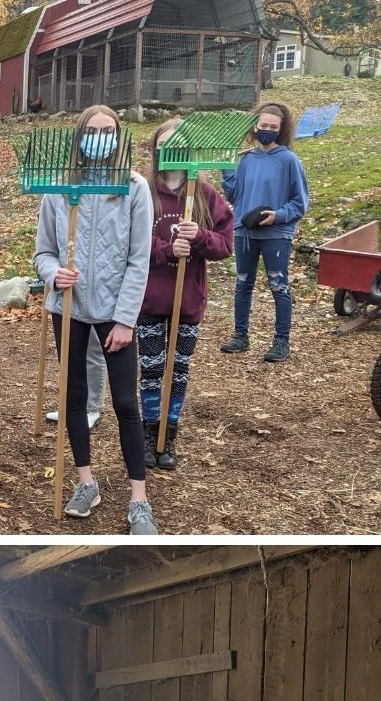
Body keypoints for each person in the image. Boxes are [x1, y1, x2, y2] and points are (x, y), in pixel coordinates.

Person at [33, 105, 157, 534]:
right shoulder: (60, 189)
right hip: (68, 308)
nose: (99, 138)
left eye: (108, 131)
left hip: (113, 310)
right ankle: (86, 481)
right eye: (92, 131)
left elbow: (139, 260)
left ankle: (139, 499)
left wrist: (125, 319)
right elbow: (43, 252)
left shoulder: (134, 188)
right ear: (80, 137)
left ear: (118, 137)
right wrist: (53, 273)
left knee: (125, 402)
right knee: (74, 397)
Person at [139, 118, 233, 470]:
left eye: (180, 143)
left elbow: (225, 245)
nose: (172, 149)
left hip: (187, 301)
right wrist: (166, 249)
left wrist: (200, 237)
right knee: (151, 368)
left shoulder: (205, 194)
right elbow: (129, 241)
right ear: (157, 149)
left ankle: (169, 433)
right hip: (149, 298)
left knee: (178, 370)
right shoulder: (144, 191)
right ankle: (150, 432)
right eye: (165, 143)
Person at [219, 102, 309, 363]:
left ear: (281, 130)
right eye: (263, 125)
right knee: (242, 284)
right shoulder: (246, 158)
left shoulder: (288, 159)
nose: (266, 130)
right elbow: (234, 194)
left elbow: (300, 202)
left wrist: (277, 216)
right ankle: (240, 335)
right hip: (244, 232)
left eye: (273, 127)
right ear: (255, 126)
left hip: (276, 234)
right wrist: (226, 167)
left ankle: (281, 341)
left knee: (278, 285)